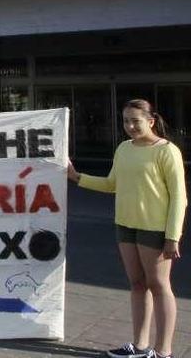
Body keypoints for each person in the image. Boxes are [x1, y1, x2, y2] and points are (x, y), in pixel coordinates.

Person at [68, 99, 186, 358]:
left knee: (158, 284)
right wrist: (77, 178)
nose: (130, 126)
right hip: (125, 225)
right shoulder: (123, 148)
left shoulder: (166, 151)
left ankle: (163, 351)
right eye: (126, 121)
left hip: (154, 229)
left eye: (136, 120)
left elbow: (179, 197)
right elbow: (112, 184)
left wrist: (172, 237)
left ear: (151, 121)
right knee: (136, 284)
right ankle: (140, 345)